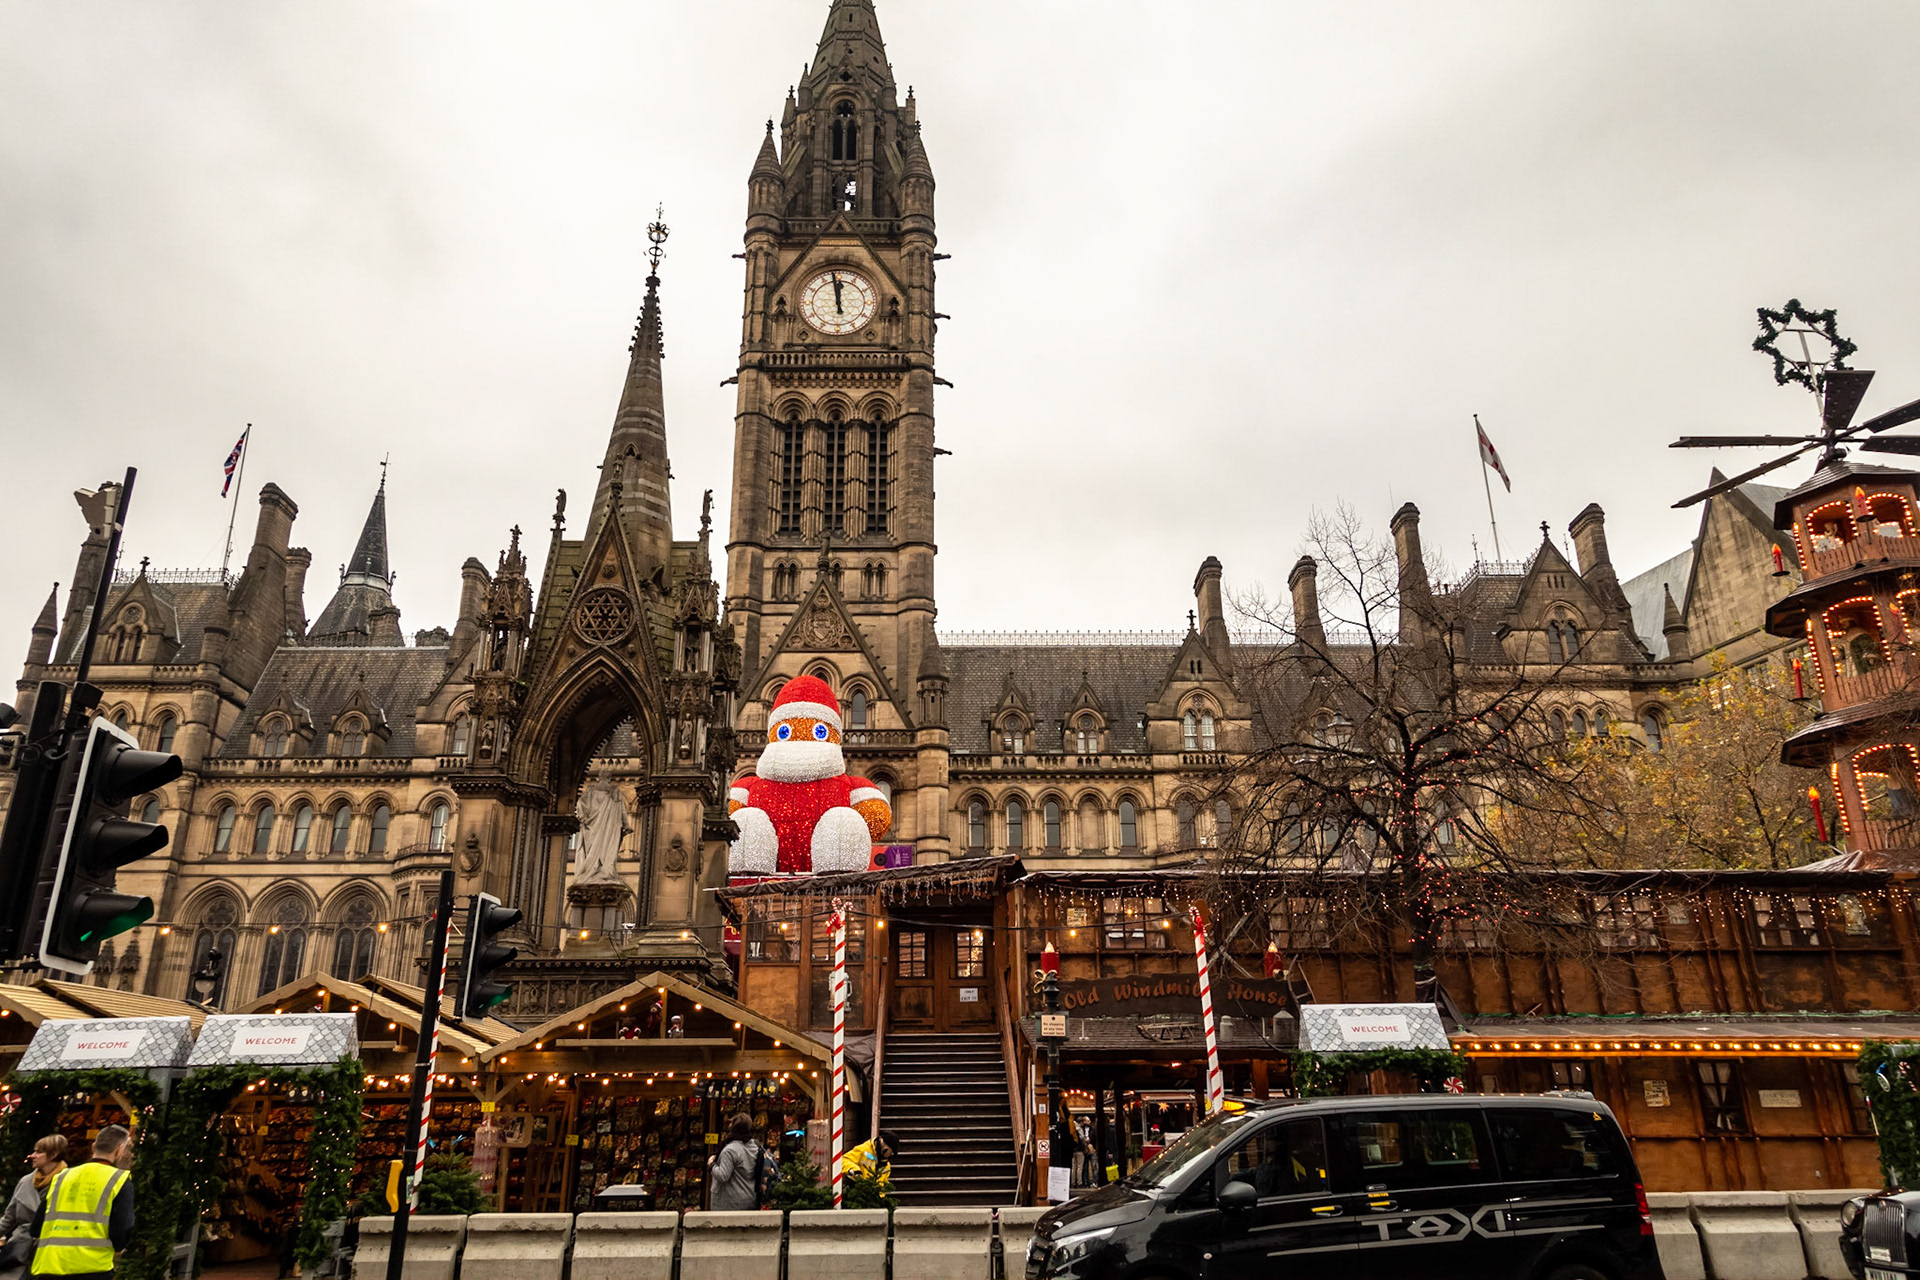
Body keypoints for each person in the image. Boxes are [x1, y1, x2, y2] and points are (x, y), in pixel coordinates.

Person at [28, 1125, 133, 1280]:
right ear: (119, 1150)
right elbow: (122, 1231)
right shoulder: (119, 1180)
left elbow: (36, 1227)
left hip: (49, 1267)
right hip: (92, 1269)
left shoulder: (61, 1177)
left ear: (93, 1147)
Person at [0, 1137, 67, 1280]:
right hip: (19, 1252)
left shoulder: (67, 1182)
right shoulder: (25, 1181)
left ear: (53, 1154)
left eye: (38, 1152)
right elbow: (9, 1219)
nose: (33, 1155)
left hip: (51, 1251)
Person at [707, 1114, 766, 1212]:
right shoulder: (755, 1146)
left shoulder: (730, 1150)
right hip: (749, 1198)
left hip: (729, 1203)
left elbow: (723, 1175)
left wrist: (711, 1165)